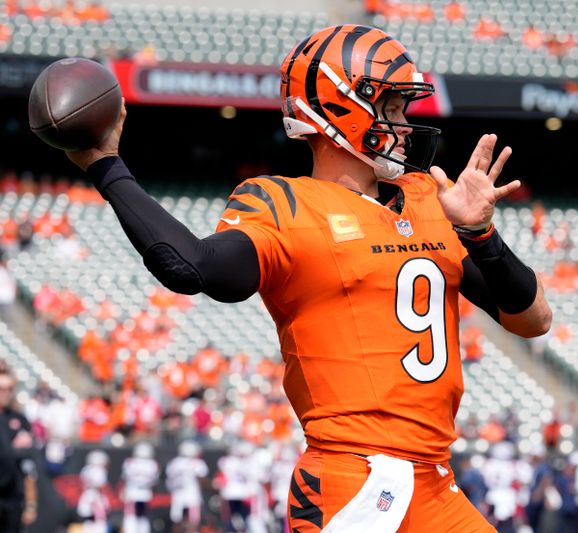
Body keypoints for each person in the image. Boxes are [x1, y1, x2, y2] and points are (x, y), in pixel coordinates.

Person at [63, 24, 551, 532]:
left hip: (436, 481)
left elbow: (534, 320)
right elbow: (196, 269)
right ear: (344, 109)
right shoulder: (283, 202)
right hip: (352, 481)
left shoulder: (430, 198)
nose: (406, 125)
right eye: (392, 109)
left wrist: (481, 235)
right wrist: (107, 167)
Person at [0, 366, 37, 532]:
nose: (5, 393)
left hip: (13, 497)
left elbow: (28, 467)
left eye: (9, 389)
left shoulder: (19, 421)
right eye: (1, 389)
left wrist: (30, 503)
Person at [165, 440, 208, 533]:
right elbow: (201, 480)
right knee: (193, 522)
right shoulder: (196, 463)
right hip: (192, 496)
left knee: (177, 522)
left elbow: (168, 481)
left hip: (177, 496)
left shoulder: (174, 463)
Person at [121, 441, 160, 533]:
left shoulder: (129, 462)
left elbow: (124, 478)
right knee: (143, 516)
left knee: (131, 516)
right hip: (145, 493)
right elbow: (154, 482)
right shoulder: (153, 464)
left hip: (132, 493)